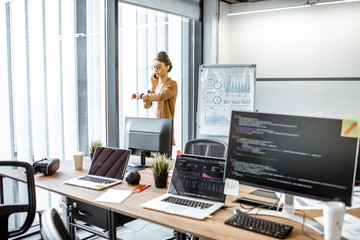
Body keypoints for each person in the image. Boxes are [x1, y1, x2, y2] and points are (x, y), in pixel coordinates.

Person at [132, 51, 178, 145]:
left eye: (159, 67)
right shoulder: (157, 86)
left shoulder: (172, 84)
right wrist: (153, 87)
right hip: (153, 125)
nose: (156, 70)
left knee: (163, 158)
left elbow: (160, 97)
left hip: (163, 126)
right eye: (154, 67)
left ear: (167, 67)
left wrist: (141, 96)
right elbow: (147, 105)